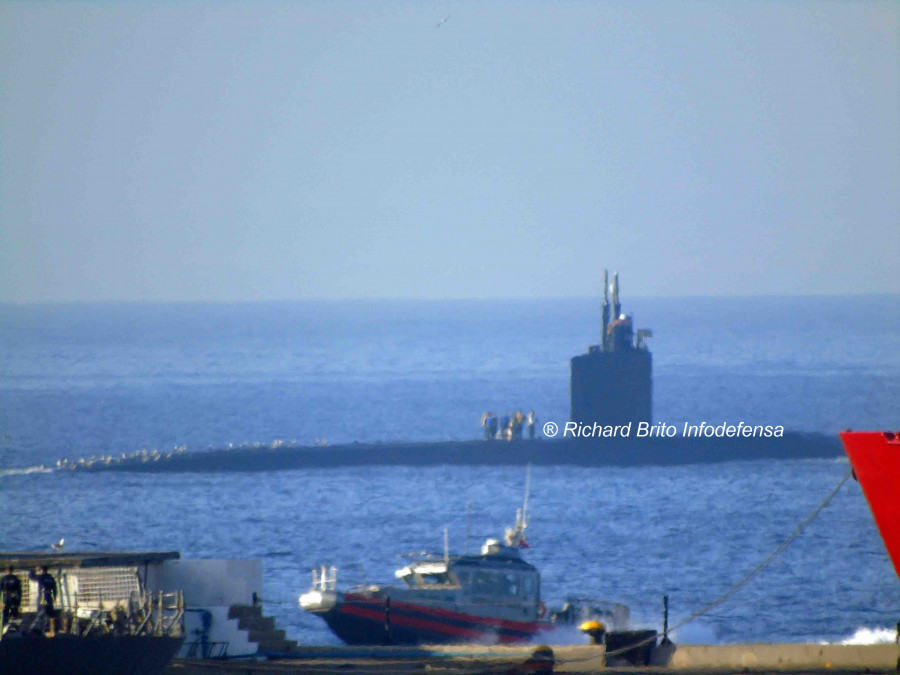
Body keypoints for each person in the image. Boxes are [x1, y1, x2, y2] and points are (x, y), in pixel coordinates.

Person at [30, 565, 57, 634]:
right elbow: (55, 588)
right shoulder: (51, 578)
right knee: (50, 612)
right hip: (49, 596)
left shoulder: (41, 577)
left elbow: (32, 577)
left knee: (41, 612)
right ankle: (51, 629)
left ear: (42, 570)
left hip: (42, 596)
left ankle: (41, 628)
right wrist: (54, 597)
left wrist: (33, 570)